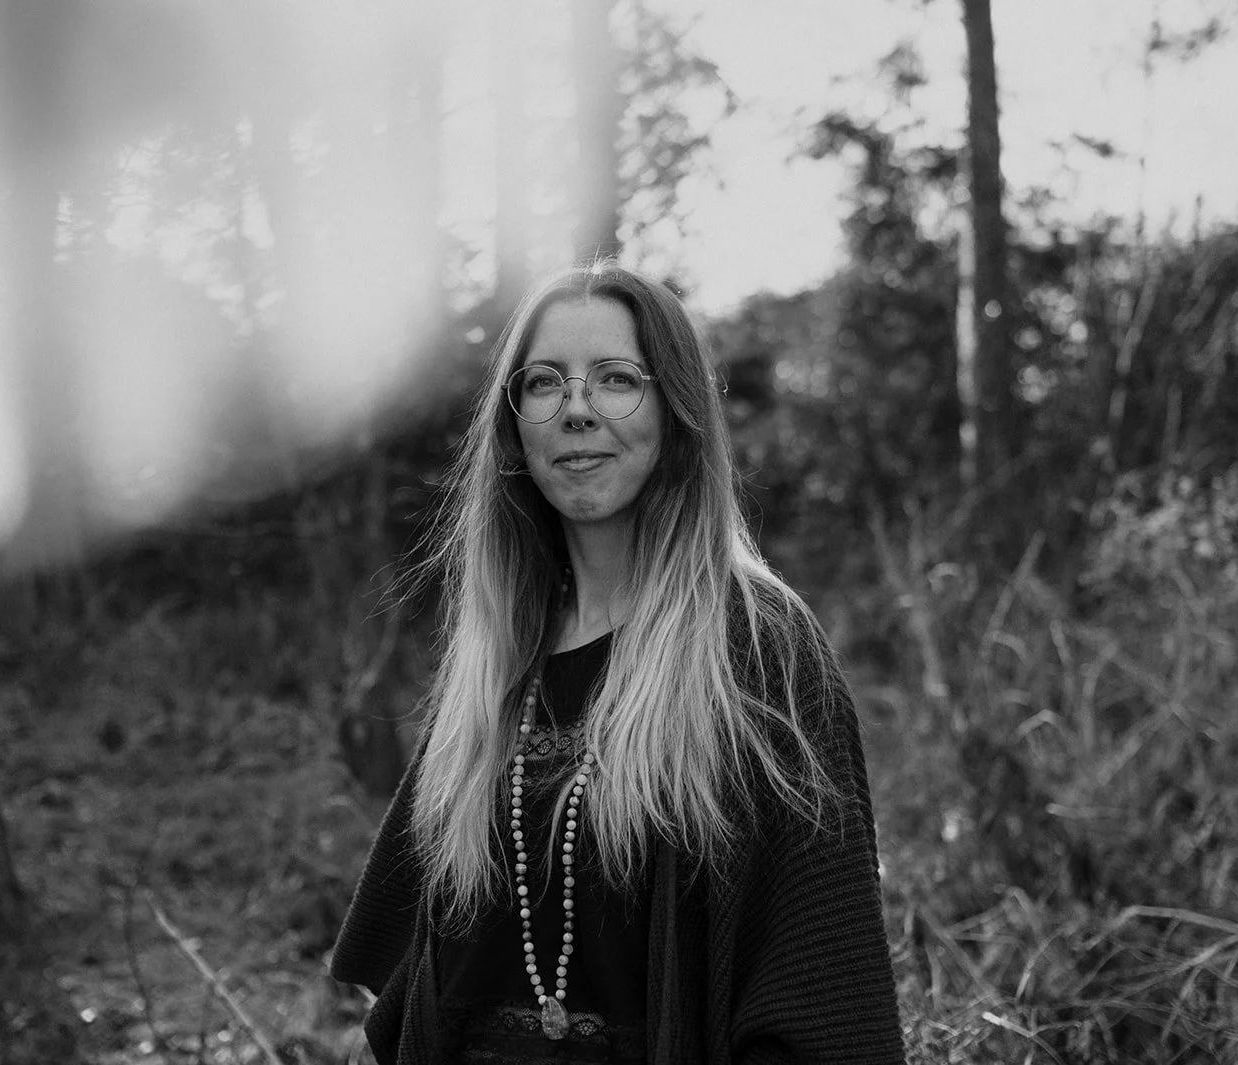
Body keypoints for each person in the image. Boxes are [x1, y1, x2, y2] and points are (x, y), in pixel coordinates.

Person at [330, 262, 904, 1064]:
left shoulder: (758, 647)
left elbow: (821, 984)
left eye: (615, 379)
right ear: (514, 424)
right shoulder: (499, 655)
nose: (576, 410)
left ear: (675, 410)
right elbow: (412, 959)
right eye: (543, 383)